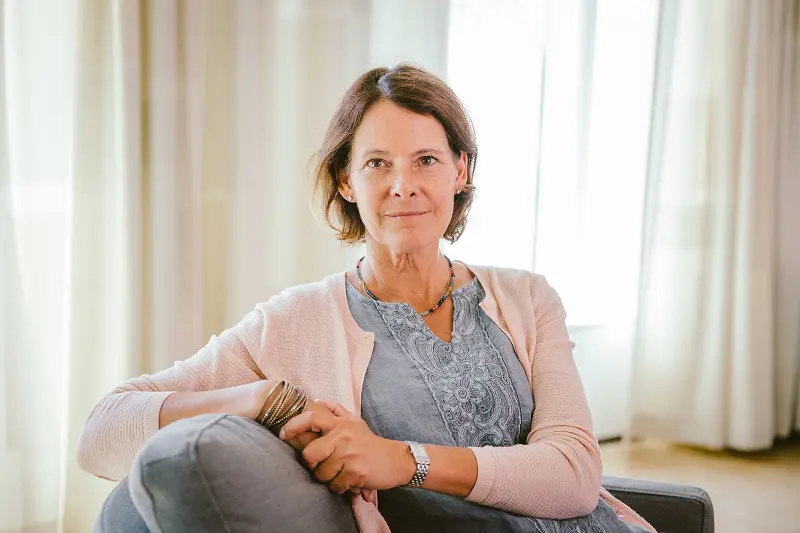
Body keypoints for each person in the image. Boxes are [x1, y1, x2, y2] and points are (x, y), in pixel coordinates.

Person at [78, 63, 656, 533]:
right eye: (378, 164)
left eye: (426, 160)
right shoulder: (296, 321)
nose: (403, 185)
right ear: (346, 182)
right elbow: (101, 434)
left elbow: (574, 474)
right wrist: (258, 398)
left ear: (460, 170)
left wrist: (401, 460)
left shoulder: (527, 297)